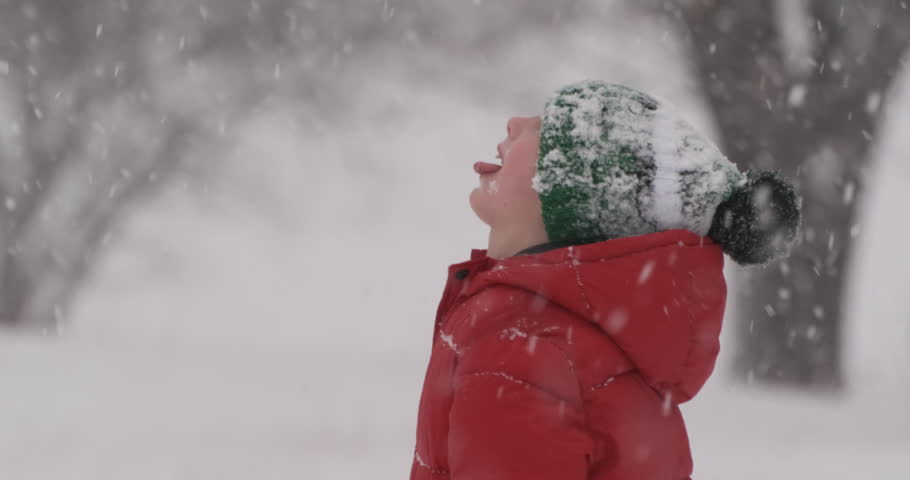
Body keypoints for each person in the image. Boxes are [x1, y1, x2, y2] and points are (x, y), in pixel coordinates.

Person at [409, 80, 800, 480]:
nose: (515, 123)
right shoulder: (583, 344)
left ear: (575, 202)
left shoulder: (519, 348)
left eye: (541, 130)